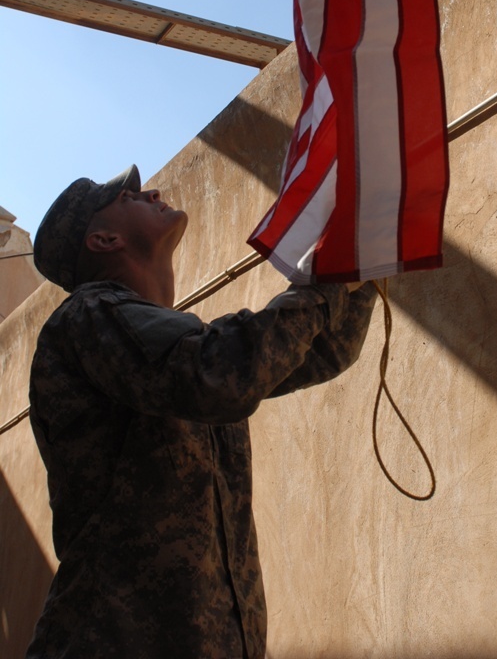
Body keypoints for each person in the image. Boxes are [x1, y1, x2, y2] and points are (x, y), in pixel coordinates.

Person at [27, 164, 376, 659]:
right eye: (128, 198)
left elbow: (321, 352)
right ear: (103, 239)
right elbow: (222, 374)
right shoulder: (88, 317)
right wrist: (325, 287)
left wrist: (362, 272)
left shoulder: (173, 348)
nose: (151, 193)